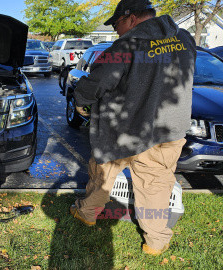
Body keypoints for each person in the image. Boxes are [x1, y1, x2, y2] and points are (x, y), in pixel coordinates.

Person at [69, 0, 196, 255]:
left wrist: (81, 99)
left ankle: (87, 213)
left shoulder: (127, 45)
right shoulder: (184, 39)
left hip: (122, 131)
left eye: (116, 24)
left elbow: (99, 80)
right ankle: (156, 242)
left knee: (103, 173)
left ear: (131, 18)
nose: (116, 30)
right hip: (167, 132)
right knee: (156, 186)